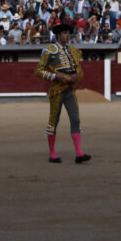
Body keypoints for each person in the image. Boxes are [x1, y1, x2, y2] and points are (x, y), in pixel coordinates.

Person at [35, 21, 91, 163]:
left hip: (69, 89)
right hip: (57, 90)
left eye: (69, 33)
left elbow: (77, 69)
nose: (68, 35)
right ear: (58, 35)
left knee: (75, 119)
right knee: (54, 120)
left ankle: (79, 153)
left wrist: (75, 77)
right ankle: (52, 153)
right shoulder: (50, 50)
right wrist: (55, 76)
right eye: (65, 33)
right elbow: (39, 71)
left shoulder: (72, 50)